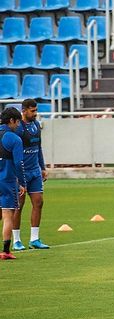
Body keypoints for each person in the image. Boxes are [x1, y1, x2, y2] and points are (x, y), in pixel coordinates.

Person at [12, 99, 49, 251]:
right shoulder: (18, 128)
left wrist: (43, 167)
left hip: (35, 171)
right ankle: (16, 240)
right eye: (32, 111)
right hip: (21, 172)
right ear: (24, 110)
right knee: (18, 206)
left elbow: (38, 147)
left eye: (36, 110)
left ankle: (34, 238)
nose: (35, 113)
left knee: (39, 202)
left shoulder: (36, 125)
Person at [0, 108, 25, 260]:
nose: (18, 126)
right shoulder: (14, 139)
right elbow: (18, 163)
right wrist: (22, 182)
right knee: (8, 215)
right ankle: (6, 251)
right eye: (17, 122)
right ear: (12, 121)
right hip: (6, 181)